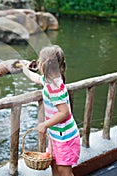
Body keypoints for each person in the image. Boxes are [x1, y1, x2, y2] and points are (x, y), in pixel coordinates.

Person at [21, 45, 80, 176]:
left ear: (43, 65)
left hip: (65, 137)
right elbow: (35, 78)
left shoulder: (54, 88)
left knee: (64, 172)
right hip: (57, 136)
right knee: (54, 166)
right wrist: (23, 68)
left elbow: (64, 112)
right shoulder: (51, 80)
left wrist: (45, 124)